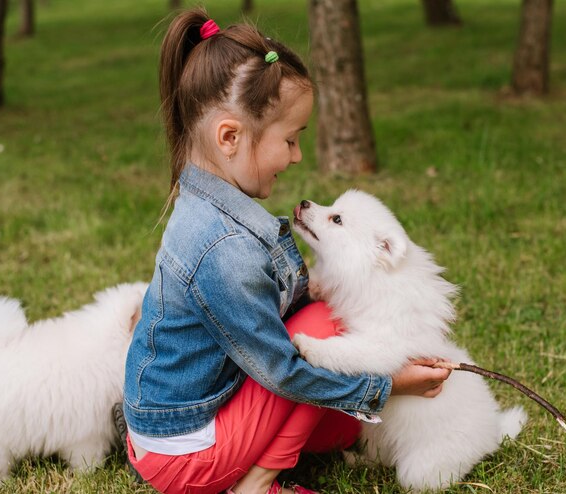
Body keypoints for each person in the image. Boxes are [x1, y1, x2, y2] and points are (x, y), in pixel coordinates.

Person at [121, 8, 452, 494]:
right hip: (187, 458)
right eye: (291, 140)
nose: (297, 156)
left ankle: (282, 448)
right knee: (321, 331)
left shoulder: (207, 208)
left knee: (340, 424)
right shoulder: (224, 247)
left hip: (171, 432)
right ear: (230, 138)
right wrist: (388, 385)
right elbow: (284, 371)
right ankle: (258, 482)